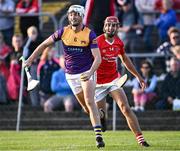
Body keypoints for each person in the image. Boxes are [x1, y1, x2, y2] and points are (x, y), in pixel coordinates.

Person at [23, 5, 105, 148]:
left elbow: (97, 58)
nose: (73, 17)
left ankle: (98, 136)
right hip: (70, 75)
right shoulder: (63, 32)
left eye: (76, 14)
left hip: (87, 72)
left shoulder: (89, 34)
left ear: (81, 16)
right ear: (68, 17)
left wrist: (90, 72)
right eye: (71, 14)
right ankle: (100, 116)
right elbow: (43, 45)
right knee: (86, 108)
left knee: (89, 101)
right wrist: (30, 59)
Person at [95, 16, 150, 147]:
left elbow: (125, 60)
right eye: (108, 25)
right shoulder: (96, 42)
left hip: (114, 80)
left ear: (118, 27)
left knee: (125, 108)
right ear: (104, 26)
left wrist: (138, 76)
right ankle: (102, 118)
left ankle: (140, 139)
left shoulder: (119, 42)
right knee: (101, 114)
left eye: (114, 25)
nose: (110, 27)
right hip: (97, 83)